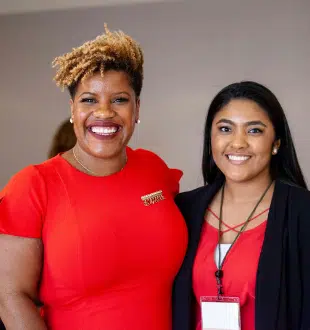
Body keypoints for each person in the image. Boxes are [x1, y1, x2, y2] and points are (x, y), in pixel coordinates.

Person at [0, 25, 188, 330]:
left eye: (119, 100)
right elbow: (10, 297)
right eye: (89, 100)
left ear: (136, 109)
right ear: (72, 110)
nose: (103, 112)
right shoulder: (33, 186)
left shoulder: (154, 170)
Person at [172, 81, 310, 330]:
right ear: (210, 138)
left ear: (276, 142)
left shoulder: (303, 214)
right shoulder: (184, 209)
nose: (238, 143)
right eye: (225, 129)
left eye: (254, 131)